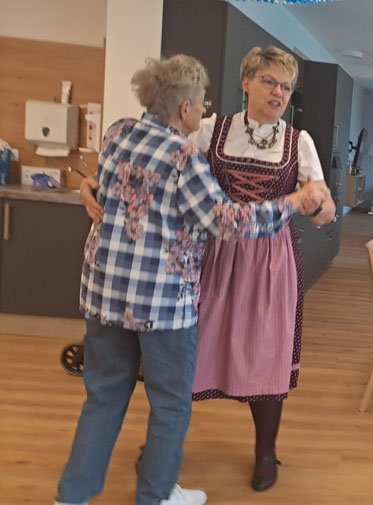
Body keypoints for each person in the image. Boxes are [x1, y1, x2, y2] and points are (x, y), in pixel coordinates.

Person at [56, 55, 319, 505]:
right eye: (200, 103)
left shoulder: (118, 133)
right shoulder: (184, 158)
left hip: (103, 294)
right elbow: (228, 221)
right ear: (183, 109)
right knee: (171, 405)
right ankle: (157, 495)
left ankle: (71, 497)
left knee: (102, 398)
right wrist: (293, 202)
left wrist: (86, 186)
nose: (203, 110)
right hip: (162, 300)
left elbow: (104, 183)